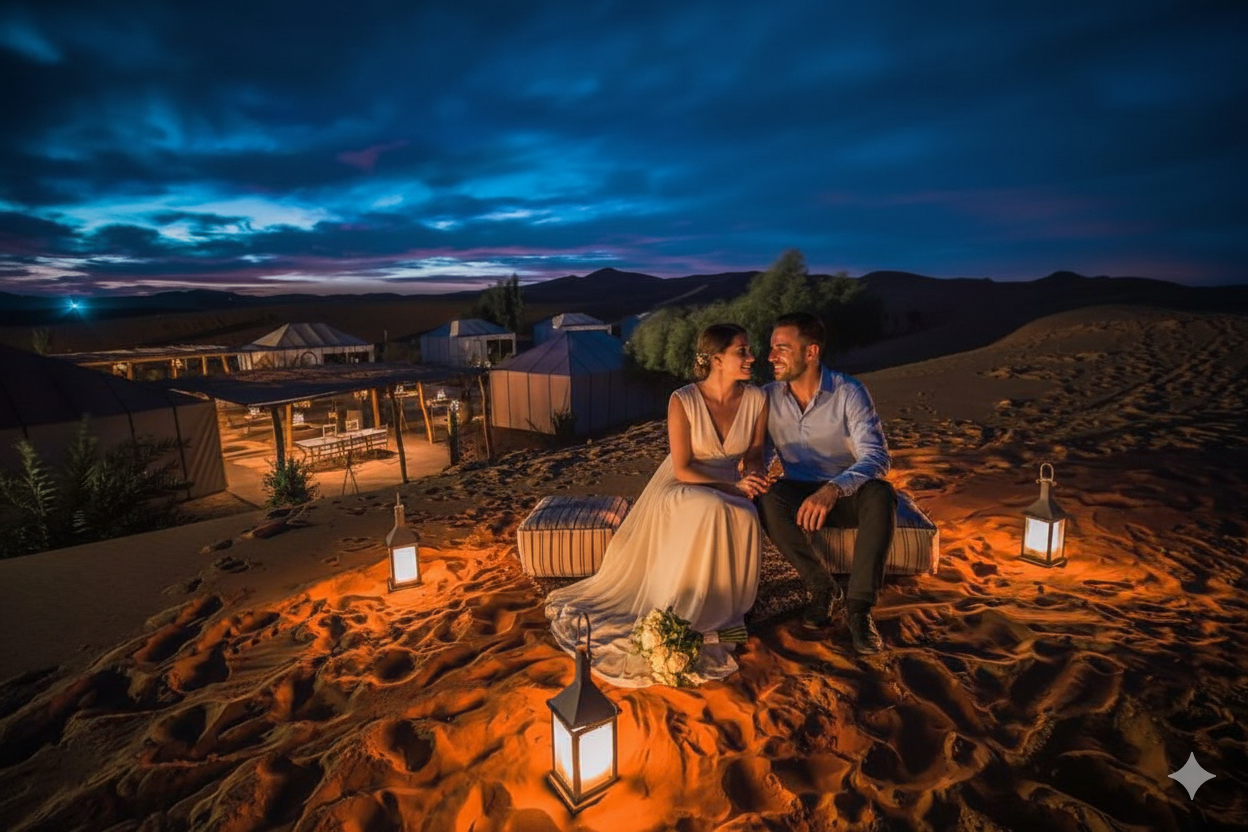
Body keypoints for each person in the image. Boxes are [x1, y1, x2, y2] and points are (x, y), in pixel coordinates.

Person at [546, 323, 771, 686]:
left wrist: (756, 471)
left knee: (744, 513)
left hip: (732, 483)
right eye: (741, 351)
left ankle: (723, 614)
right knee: (711, 508)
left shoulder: (758, 399)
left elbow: (756, 451)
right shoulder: (683, 400)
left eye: (748, 350)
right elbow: (682, 468)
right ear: (716, 359)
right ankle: (685, 613)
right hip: (684, 484)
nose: (751, 357)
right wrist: (732, 484)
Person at [757, 312, 896, 655]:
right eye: (772, 348)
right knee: (769, 498)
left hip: (847, 495)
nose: (771, 357)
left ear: (811, 352)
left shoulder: (849, 392)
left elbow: (877, 457)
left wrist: (833, 489)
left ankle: (860, 610)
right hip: (799, 496)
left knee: (882, 494)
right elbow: (763, 457)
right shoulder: (768, 397)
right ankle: (822, 588)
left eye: (781, 348)